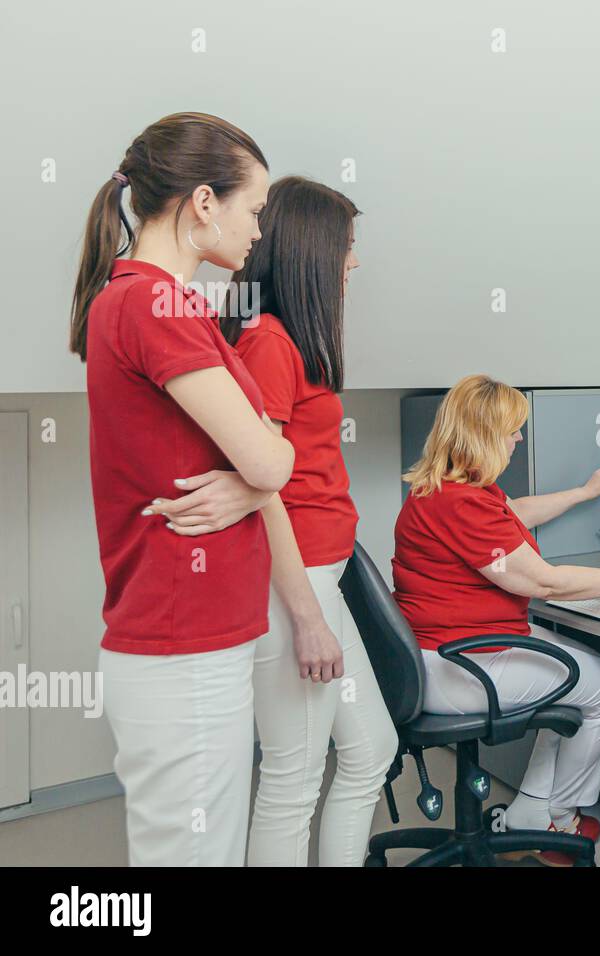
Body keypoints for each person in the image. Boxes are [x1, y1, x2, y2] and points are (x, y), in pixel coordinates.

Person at [72, 112, 292, 866]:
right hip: (181, 642)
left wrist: (257, 474)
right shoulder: (151, 304)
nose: (259, 230)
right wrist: (260, 477)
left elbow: (265, 454)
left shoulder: (162, 303)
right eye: (254, 209)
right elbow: (270, 461)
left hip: (190, 639)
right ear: (204, 202)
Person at [393, 374, 600, 865]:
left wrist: (582, 492)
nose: (518, 439)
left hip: (445, 651)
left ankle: (531, 811)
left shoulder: (444, 489)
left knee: (583, 666)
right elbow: (545, 583)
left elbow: (514, 513)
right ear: (484, 436)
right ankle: (559, 816)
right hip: (464, 667)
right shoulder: (463, 503)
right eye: (511, 430)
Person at [214, 176, 398, 866]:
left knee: (371, 749)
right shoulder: (268, 342)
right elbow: (261, 489)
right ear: (312, 250)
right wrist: (308, 618)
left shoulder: (291, 339)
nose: (353, 263)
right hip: (294, 586)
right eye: (346, 247)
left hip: (323, 574)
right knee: (291, 780)